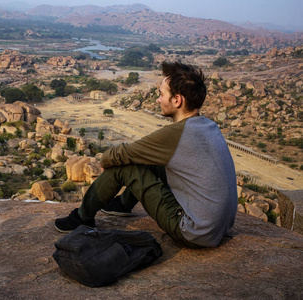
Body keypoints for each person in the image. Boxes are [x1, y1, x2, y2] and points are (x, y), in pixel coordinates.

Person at [54, 61, 238, 248]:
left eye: (161, 94)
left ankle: (82, 217)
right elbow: (141, 153)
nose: (158, 100)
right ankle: (123, 206)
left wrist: (106, 161)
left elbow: (120, 154)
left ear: (177, 100)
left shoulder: (177, 134)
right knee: (151, 160)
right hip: (218, 227)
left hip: (193, 230)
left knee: (125, 169)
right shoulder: (209, 126)